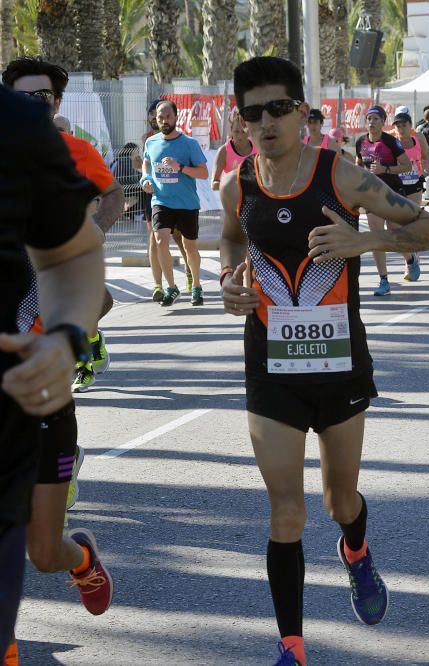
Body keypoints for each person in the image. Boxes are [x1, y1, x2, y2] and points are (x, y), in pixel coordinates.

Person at [218, 57, 429, 665]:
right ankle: (291, 647)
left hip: (339, 365)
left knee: (339, 500)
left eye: (277, 109)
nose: (265, 123)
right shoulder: (236, 184)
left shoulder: (340, 176)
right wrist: (227, 280)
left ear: (299, 111)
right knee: (286, 511)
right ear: (239, 120)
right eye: (252, 112)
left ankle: (355, 549)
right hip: (271, 366)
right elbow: (232, 235)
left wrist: (364, 240)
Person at [0, 86, 109, 662]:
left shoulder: (19, 138)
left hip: (30, 409)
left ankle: (81, 557)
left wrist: (64, 338)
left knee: (44, 553)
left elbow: (89, 267)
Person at [3, 57, 124, 391]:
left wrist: (95, 228)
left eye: (40, 97)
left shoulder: (79, 151)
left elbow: (114, 194)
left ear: (56, 103)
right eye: (20, 97)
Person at [141, 99, 209, 307]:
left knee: (190, 247)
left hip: (186, 203)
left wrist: (180, 167)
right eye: (160, 117)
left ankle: (196, 285)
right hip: (161, 200)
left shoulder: (189, 144)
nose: (164, 120)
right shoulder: (151, 142)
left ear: (176, 117)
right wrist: (145, 179)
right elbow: (146, 163)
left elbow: (204, 172)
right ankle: (171, 287)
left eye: (168, 116)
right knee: (160, 240)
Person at [355, 106, 412, 296]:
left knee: (394, 232)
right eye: (369, 119)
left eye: (376, 119)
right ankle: (383, 280)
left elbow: (407, 165)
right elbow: (359, 166)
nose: (371, 122)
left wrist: (385, 170)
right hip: (372, 196)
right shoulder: (360, 142)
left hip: (391, 192)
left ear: (383, 122)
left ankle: (410, 258)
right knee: (376, 237)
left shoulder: (391, 142)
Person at [389, 111, 429, 282]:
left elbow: (427, 155)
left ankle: (410, 263)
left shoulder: (418, 138)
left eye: (403, 125)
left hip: (414, 185)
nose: (400, 129)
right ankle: (410, 257)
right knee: (394, 227)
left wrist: (426, 164)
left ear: (410, 126)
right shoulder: (391, 141)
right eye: (397, 126)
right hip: (397, 186)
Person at [212, 109, 257, 190]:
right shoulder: (224, 151)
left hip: (256, 200)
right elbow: (214, 184)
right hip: (233, 201)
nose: (239, 136)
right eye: (236, 131)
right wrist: (234, 184)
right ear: (231, 131)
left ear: (249, 131)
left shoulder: (258, 148)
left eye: (243, 132)